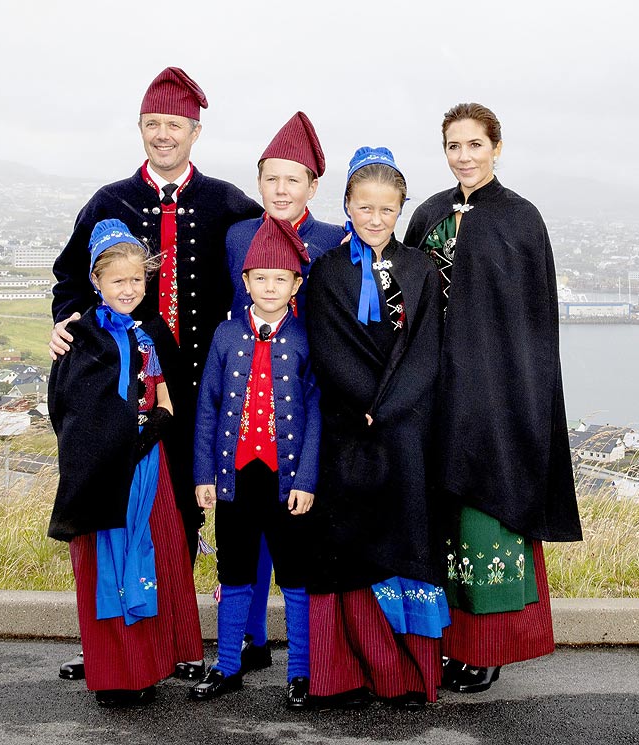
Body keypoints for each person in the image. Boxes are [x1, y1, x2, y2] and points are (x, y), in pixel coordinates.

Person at [49, 66, 262, 682]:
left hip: (200, 386)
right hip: (119, 392)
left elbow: (268, 273)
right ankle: (111, 642)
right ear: (140, 129)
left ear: (195, 131)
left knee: (183, 511)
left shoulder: (228, 203)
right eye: (151, 125)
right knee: (114, 506)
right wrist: (67, 324)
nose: (162, 135)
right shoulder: (108, 201)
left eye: (173, 125)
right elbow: (69, 278)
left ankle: (176, 637)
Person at [403, 102, 582, 693]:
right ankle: (448, 644)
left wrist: (519, 397)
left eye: (475, 145)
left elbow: (534, 323)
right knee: (442, 524)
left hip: (496, 398)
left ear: (496, 147)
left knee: (484, 521)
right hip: (434, 395)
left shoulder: (520, 220)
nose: (464, 156)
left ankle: (486, 650)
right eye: (454, 146)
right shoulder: (427, 214)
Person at [305, 147, 450, 711]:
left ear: (399, 210)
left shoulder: (420, 268)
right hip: (349, 433)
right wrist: (365, 404)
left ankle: (410, 677)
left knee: (407, 545)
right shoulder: (326, 272)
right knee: (351, 549)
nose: (374, 218)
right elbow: (328, 348)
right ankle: (352, 671)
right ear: (346, 205)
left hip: (407, 431)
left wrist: (389, 408)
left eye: (386, 209)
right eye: (363, 207)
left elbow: (426, 350)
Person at [47, 219, 204, 707]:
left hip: (146, 465)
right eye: (118, 280)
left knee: (150, 556)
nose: (129, 289)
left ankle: (148, 667)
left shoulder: (151, 333)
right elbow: (66, 409)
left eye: (137, 279)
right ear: (96, 280)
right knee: (105, 565)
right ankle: (113, 673)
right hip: (100, 472)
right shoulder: (79, 335)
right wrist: (103, 446)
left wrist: (143, 435)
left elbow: (168, 402)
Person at [224, 111, 345, 670]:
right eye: (271, 177)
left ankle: (310, 654)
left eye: (292, 178)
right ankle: (247, 644)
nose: (280, 188)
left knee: (300, 532)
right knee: (248, 534)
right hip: (250, 406)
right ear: (259, 181)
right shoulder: (238, 238)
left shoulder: (332, 241)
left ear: (312, 186)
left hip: (310, 399)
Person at [191, 217, 320, 709]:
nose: (270, 286)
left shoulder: (307, 339)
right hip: (235, 478)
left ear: (296, 285)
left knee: (294, 576)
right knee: (234, 570)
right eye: (260, 277)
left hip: (288, 483)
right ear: (244, 282)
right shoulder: (225, 336)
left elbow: (316, 417)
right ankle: (227, 665)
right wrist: (204, 474)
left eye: (280, 278)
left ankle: (301, 671)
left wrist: (307, 480)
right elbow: (207, 406)